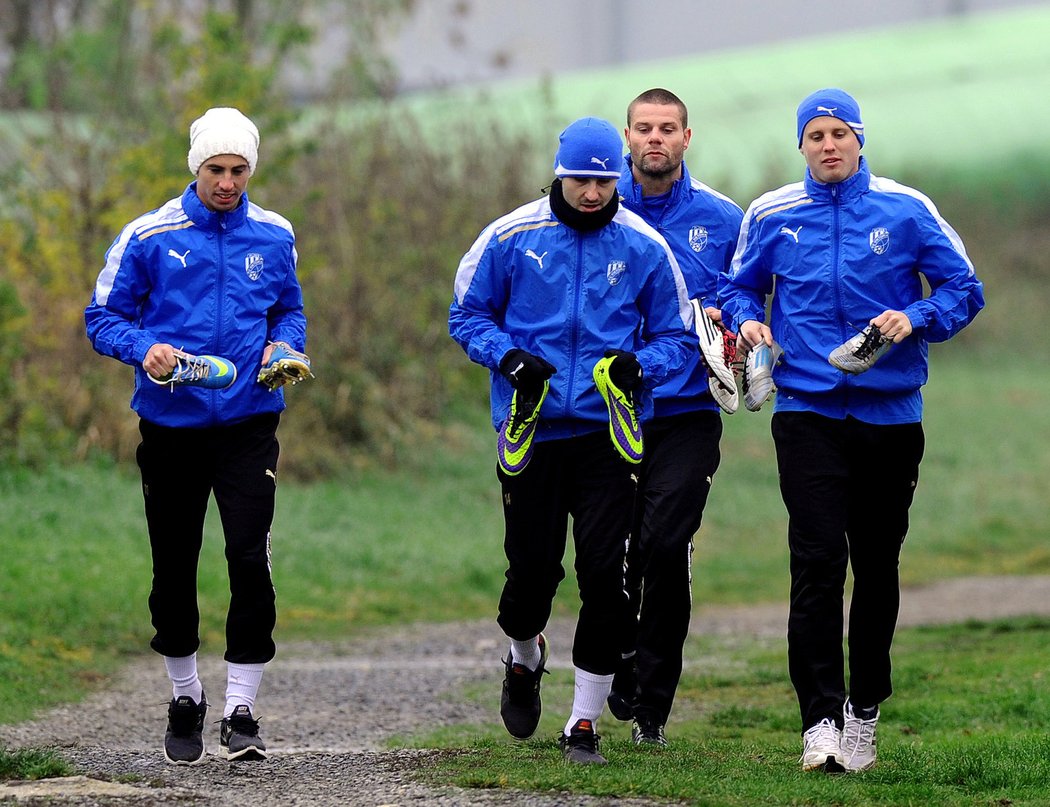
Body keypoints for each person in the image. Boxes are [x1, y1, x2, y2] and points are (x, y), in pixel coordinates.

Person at [718, 88, 984, 773]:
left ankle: (864, 712)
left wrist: (916, 317)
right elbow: (739, 286)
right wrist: (748, 320)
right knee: (814, 562)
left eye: (840, 133)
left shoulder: (907, 208)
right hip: (804, 408)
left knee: (876, 564)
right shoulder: (772, 213)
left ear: (860, 140)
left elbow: (964, 288)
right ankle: (820, 721)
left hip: (889, 415)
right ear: (801, 146)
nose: (829, 145)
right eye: (816, 135)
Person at [448, 117, 694, 765]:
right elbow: (466, 315)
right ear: (560, 174)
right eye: (582, 180)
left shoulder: (641, 244)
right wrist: (508, 358)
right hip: (531, 428)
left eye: (605, 181)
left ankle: (582, 723)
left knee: (604, 580)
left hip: (607, 433)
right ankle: (524, 658)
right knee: (532, 574)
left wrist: (641, 366)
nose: (593, 192)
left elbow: (677, 335)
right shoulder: (509, 237)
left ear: (619, 179)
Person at [85, 107, 310, 765]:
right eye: (216, 169)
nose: (228, 182)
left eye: (239, 170)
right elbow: (102, 316)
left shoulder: (273, 234)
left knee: (249, 558)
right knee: (174, 566)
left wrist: (284, 347)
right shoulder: (150, 236)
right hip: (171, 426)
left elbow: (289, 307)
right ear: (196, 167)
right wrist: (144, 346)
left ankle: (242, 710)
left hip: (248, 423)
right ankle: (186, 696)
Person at [608, 88, 743, 746]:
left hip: (688, 411)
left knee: (664, 547)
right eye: (643, 128)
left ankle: (653, 705)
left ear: (687, 137)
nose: (654, 138)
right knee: (612, 554)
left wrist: (734, 327)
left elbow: (745, 293)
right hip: (608, 411)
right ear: (626, 137)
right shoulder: (595, 212)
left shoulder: (722, 219)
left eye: (667, 128)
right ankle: (621, 654)